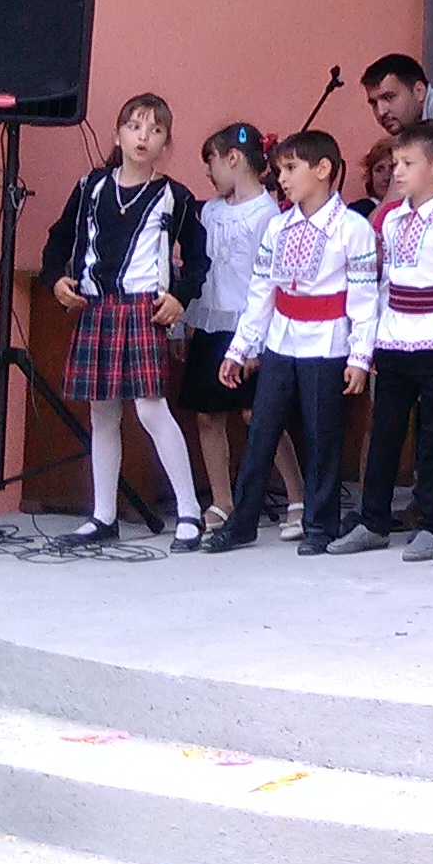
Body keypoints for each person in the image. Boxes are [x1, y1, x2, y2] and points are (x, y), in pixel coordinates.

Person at [42, 94, 209, 548]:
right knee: (102, 413)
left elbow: (198, 259)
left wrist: (180, 297)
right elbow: (58, 239)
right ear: (117, 135)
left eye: (155, 130)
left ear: (165, 143)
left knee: (152, 408)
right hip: (96, 306)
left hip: (141, 309)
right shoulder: (90, 187)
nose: (143, 137)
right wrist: (56, 279)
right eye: (134, 127)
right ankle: (103, 516)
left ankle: (189, 512)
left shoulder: (174, 197)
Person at [204, 130, 375, 553]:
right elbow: (261, 291)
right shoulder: (278, 226)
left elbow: (364, 297)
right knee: (261, 430)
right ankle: (242, 521)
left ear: (323, 170)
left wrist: (359, 356)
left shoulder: (352, 228)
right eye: (280, 169)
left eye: (291, 168)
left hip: (328, 343)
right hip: (281, 339)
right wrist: (240, 349)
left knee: (322, 436)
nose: (282, 178)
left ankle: (319, 525)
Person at [330, 119, 433, 557]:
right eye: (395, 163)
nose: (397, 171)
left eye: (407, 163)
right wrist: (374, 340)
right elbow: (383, 283)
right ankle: (373, 520)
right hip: (395, 338)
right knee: (384, 432)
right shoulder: (392, 220)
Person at [176, 123, 278, 536]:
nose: (208, 173)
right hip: (212, 322)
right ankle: (222, 499)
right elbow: (202, 269)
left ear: (233, 159)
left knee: (259, 415)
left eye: (212, 163)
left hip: (248, 326)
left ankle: (296, 495)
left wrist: (256, 343)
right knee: (208, 414)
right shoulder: (211, 212)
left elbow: (266, 282)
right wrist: (186, 321)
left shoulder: (267, 214)